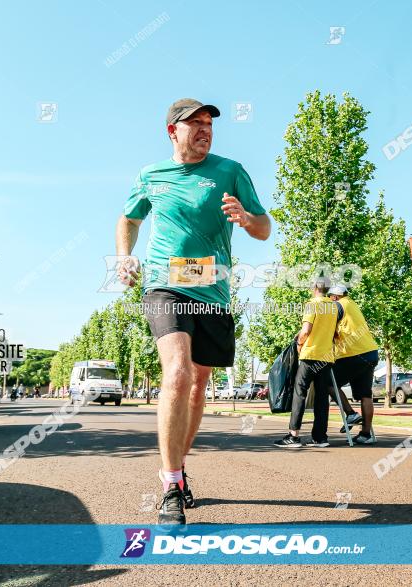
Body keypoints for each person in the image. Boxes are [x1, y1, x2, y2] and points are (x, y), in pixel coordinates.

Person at [116, 98, 271, 525]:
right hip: (165, 285)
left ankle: (178, 470)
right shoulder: (151, 175)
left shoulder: (230, 170)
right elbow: (129, 219)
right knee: (178, 373)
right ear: (172, 131)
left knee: (200, 384)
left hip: (215, 292)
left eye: (209, 125)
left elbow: (264, 228)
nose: (205, 130)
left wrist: (244, 217)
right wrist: (124, 256)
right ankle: (169, 487)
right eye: (195, 124)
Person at [274, 277, 339, 449]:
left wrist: (299, 343)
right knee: (321, 397)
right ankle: (320, 438)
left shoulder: (312, 304)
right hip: (326, 357)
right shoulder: (334, 306)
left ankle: (293, 436)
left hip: (310, 355)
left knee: (299, 393)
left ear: (315, 287)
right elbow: (333, 332)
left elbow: (306, 330)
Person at [328, 285, 379, 443]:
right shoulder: (352, 305)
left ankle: (350, 414)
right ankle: (366, 435)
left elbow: (325, 328)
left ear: (335, 296)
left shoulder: (338, 306)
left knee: (328, 383)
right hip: (370, 353)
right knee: (365, 394)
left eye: (330, 297)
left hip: (354, 354)